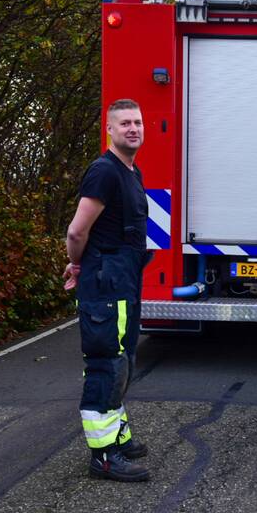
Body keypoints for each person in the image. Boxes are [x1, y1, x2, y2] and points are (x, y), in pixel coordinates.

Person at [63, 98, 154, 482]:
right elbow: (77, 230)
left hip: (124, 279)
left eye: (137, 122)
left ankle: (117, 437)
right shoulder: (104, 172)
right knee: (106, 364)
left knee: (124, 359)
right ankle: (102, 457)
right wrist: (76, 264)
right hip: (105, 280)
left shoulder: (130, 171)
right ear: (110, 131)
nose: (133, 128)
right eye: (125, 124)